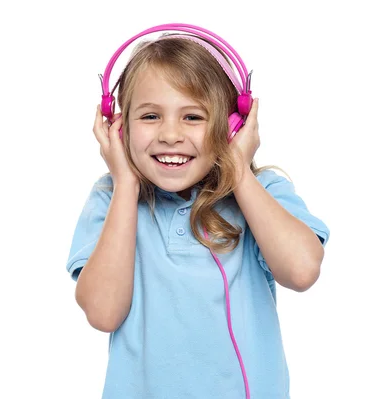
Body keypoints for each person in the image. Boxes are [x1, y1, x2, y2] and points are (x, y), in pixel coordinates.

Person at [65, 24, 330, 399]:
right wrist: (125, 183)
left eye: (193, 117)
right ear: (118, 127)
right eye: (150, 116)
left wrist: (238, 170)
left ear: (233, 125)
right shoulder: (111, 199)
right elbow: (103, 313)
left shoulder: (263, 192)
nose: (170, 134)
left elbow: (302, 271)